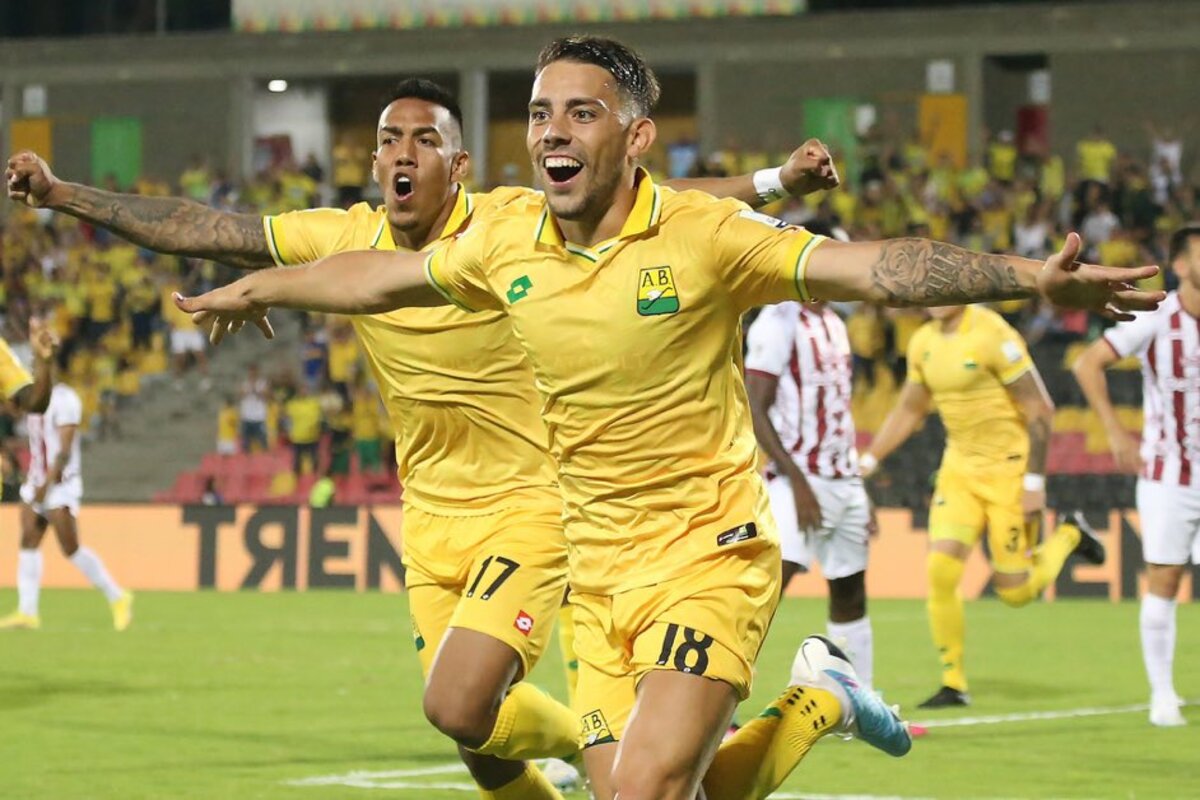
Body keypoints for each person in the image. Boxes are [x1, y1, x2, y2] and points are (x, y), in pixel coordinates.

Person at [169, 37, 1160, 800]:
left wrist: (1033, 278)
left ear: (635, 136)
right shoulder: (508, 236)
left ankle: (815, 689)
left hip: (706, 549)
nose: (552, 132)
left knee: (645, 788)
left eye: (582, 114)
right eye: (539, 113)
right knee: (655, 790)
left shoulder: (706, 237)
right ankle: (820, 698)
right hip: (596, 571)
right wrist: (264, 282)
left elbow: (875, 267)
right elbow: (382, 275)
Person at [6, 74, 839, 800]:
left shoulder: (515, 222)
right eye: (387, 141)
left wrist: (775, 181)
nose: (403, 154)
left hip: (535, 505)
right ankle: (795, 712)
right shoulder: (341, 237)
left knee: (457, 703)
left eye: (425, 139)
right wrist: (64, 195)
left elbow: (668, 207)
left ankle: (601, 761)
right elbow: (202, 228)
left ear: (460, 163)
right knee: (476, 741)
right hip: (431, 519)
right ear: (373, 163)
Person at [859, 303, 1107, 708]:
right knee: (940, 570)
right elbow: (909, 408)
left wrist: (1034, 482)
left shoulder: (994, 334)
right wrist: (870, 458)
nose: (935, 294)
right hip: (958, 470)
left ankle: (1069, 535)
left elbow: (1041, 408)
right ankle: (953, 682)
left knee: (1015, 593)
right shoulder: (923, 342)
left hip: (1009, 471)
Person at [1071, 224, 1200, 727]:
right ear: (1182, 267)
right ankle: (1162, 694)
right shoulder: (1158, 318)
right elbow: (1087, 364)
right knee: (1165, 579)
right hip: (1169, 475)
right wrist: (1116, 433)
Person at [745, 248, 876, 690]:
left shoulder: (834, 321)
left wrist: (856, 483)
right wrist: (797, 481)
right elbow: (755, 407)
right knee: (765, 591)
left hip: (842, 480)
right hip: (795, 480)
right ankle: (713, 709)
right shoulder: (778, 320)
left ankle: (855, 703)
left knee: (850, 591)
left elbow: (837, 411)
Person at [0, 380, 132, 631]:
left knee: (70, 548)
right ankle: (27, 612)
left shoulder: (64, 399)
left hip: (60, 484)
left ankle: (118, 597)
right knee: (28, 541)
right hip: (36, 480)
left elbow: (64, 451)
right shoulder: (33, 400)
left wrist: (46, 485)